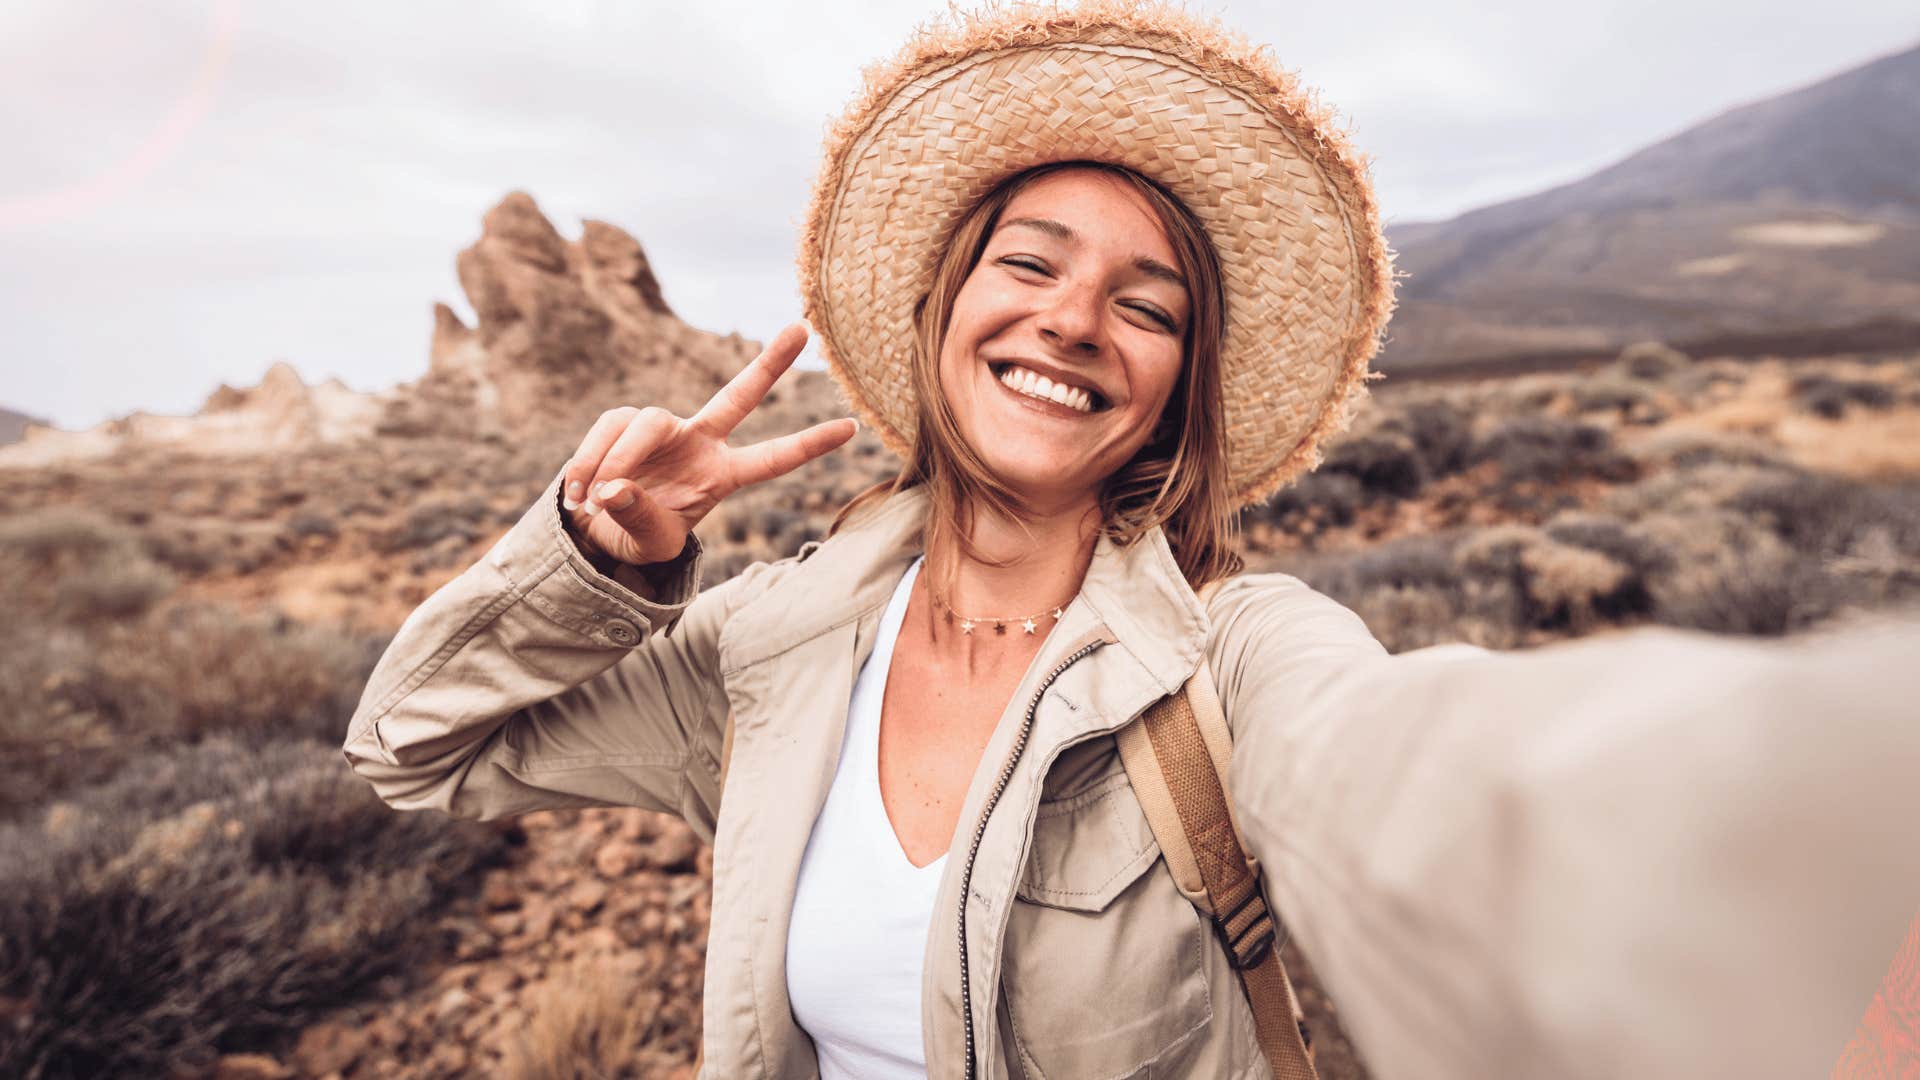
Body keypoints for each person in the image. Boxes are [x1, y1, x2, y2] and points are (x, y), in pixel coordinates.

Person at [341, 4, 1920, 1079]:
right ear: (943, 310)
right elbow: (411, 748)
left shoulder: (1235, 661)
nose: (1075, 319)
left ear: (1172, 400)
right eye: (1029, 261)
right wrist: (590, 563)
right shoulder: (767, 649)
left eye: (1147, 304)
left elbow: (1436, 786)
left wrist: (1821, 868)